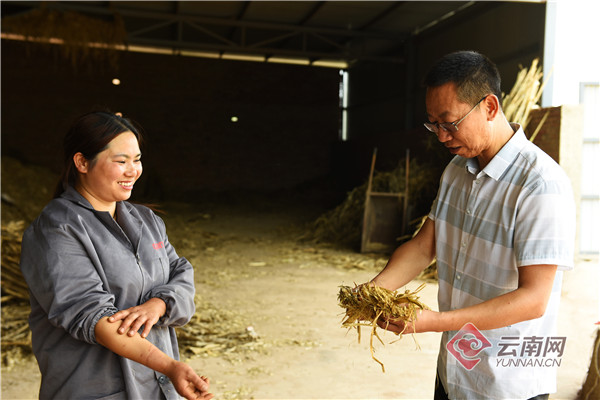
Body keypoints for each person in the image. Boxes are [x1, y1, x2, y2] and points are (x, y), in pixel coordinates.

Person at [366, 51, 575, 399]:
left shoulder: (540, 184)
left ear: (490, 107)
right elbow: (424, 247)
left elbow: (534, 299)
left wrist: (433, 322)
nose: (442, 136)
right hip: (455, 368)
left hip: (506, 382)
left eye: (449, 123)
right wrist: (375, 290)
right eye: (433, 124)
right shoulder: (456, 171)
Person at [20, 111, 213, 400]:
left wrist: (159, 304)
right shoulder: (57, 229)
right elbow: (93, 317)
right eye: (121, 161)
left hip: (156, 388)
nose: (133, 170)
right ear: (82, 162)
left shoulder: (147, 221)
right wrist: (170, 366)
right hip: (97, 389)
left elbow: (181, 274)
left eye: (136, 160)